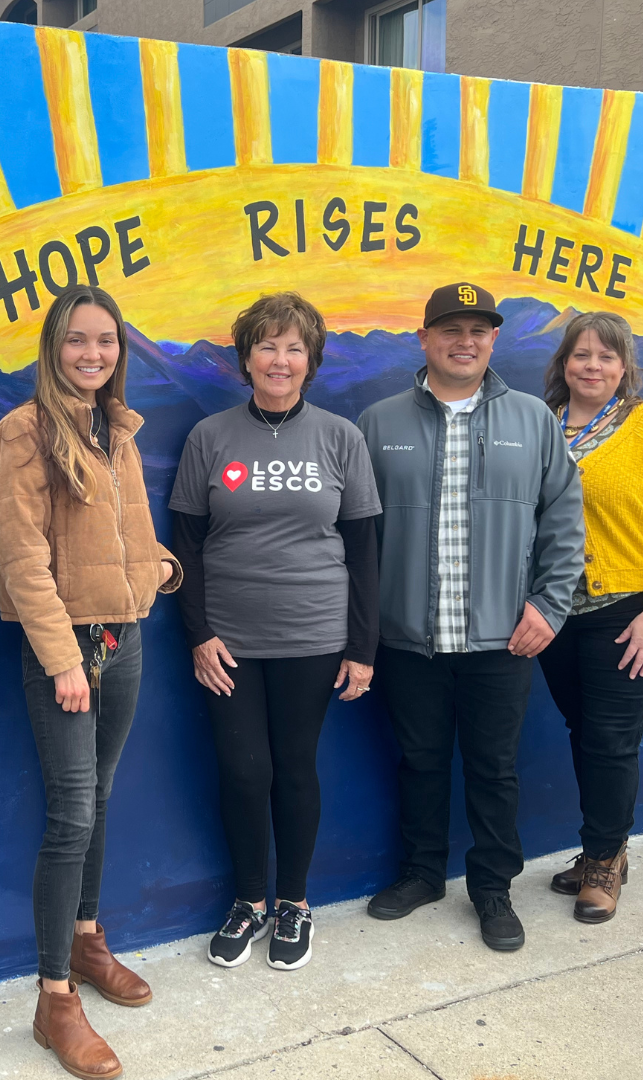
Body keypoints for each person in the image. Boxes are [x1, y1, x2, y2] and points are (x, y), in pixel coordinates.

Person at [0, 285, 181, 1080]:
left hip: (125, 636)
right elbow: (22, 559)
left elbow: (132, 528)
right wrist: (63, 658)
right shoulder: (24, 433)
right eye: (77, 340)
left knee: (98, 797)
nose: (92, 353)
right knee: (70, 815)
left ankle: (88, 939)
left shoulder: (116, 428)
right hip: (68, 647)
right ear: (52, 347)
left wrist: (160, 568)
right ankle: (54, 999)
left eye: (105, 340)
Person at [357, 283, 584, 951]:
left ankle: (491, 888)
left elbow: (563, 521)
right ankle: (423, 873)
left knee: (494, 769)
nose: (465, 341)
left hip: (501, 640)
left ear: (494, 340)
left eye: (478, 330)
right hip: (408, 638)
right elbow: (357, 536)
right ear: (424, 339)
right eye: (451, 329)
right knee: (419, 762)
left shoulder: (533, 421)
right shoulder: (378, 423)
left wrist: (549, 605)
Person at [168, 292, 382, 972]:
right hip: (227, 642)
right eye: (267, 346)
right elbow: (185, 546)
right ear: (246, 359)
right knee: (243, 771)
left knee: (293, 767)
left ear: (311, 361)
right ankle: (249, 901)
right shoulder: (210, 437)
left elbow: (364, 551)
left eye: (294, 348)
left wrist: (363, 648)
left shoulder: (341, 438)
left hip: (313, 634)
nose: (280, 359)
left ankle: (294, 903)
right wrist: (198, 633)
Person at [539, 312, 643, 922]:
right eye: (582, 355)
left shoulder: (639, 427)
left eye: (607, 356)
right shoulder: (541, 425)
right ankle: (599, 847)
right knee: (583, 731)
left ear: (624, 367)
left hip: (622, 611)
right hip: (553, 612)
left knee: (610, 739)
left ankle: (606, 861)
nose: (593, 367)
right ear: (564, 363)